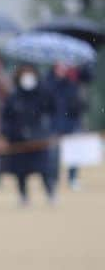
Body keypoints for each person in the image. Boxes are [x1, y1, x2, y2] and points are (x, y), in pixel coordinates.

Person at [2, 64, 57, 206]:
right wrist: (7, 133)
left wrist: (47, 129)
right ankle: (23, 196)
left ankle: (50, 193)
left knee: (44, 168)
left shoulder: (43, 93)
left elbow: (53, 110)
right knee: (20, 171)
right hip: (18, 138)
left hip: (38, 138)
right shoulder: (13, 96)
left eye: (30, 74)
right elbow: (6, 117)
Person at [46, 62, 87, 190]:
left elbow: (79, 104)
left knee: (73, 153)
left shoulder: (71, 84)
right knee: (53, 155)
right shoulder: (47, 83)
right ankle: (53, 179)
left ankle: (72, 178)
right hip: (54, 123)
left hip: (71, 123)